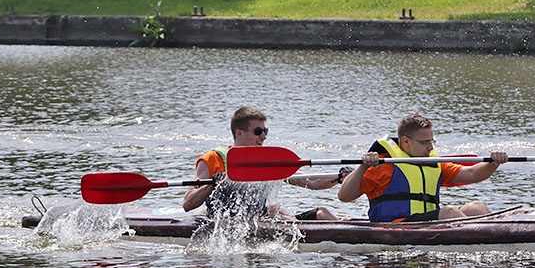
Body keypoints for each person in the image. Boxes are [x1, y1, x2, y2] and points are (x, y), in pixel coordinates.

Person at [337, 114, 508, 222]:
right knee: (448, 212)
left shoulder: (432, 163)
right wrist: (362, 167)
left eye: (431, 141)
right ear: (405, 141)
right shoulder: (383, 165)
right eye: (425, 142)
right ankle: (486, 241)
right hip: (396, 227)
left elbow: (471, 174)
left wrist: (493, 163)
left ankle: (499, 237)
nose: (431, 148)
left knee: (475, 207)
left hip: (426, 224)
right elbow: (344, 196)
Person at [183, 107, 345, 219]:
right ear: (239, 133)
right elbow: (188, 203)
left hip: (260, 220)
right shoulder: (213, 159)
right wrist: (212, 184)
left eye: (265, 131)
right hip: (225, 224)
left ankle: (340, 230)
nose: (263, 136)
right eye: (258, 131)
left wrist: (340, 177)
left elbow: (312, 181)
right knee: (274, 208)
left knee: (321, 213)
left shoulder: (265, 160)